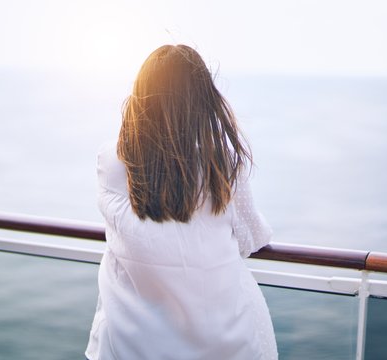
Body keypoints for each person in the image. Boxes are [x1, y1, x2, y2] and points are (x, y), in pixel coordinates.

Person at [85, 44, 278, 360]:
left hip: (129, 345)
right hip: (223, 344)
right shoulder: (223, 165)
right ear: (202, 101)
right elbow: (251, 238)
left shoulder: (111, 161)